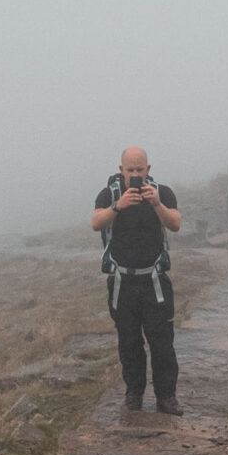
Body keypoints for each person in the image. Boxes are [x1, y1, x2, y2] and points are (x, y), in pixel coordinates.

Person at [91, 146, 182, 414]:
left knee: (162, 341)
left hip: (155, 281)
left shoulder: (162, 192)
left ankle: (167, 397)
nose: (135, 175)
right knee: (129, 342)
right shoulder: (109, 194)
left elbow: (175, 223)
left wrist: (155, 203)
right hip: (123, 284)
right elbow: (96, 222)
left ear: (148, 169)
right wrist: (117, 207)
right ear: (121, 170)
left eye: (139, 170)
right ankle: (134, 394)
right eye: (129, 170)